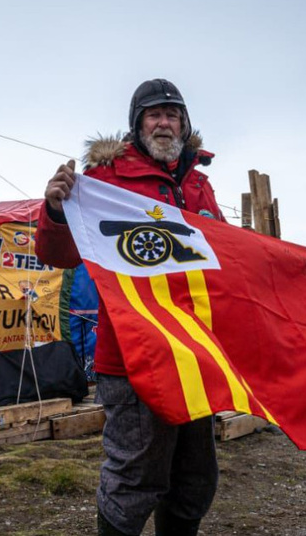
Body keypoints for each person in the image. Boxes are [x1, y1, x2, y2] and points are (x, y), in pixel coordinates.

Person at [36, 79, 224, 536]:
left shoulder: (199, 185)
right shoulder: (104, 180)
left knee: (195, 476)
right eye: (153, 115)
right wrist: (56, 211)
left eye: (172, 114)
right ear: (137, 125)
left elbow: (224, 257)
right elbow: (59, 255)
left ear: (185, 124)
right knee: (136, 478)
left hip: (194, 354)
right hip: (133, 355)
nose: (163, 123)